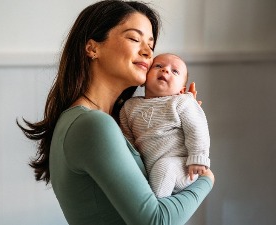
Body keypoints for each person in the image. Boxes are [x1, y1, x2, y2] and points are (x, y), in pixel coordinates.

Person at [17, 1, 215, 224]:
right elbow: (156, 220)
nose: (147, 51)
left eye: (151, 44)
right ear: (93, 48)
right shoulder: (93, 124)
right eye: (134, 38)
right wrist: (206, 179)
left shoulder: (99, 120)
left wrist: (173, 130)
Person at [119, 53, 211, 198]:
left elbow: (197, 128)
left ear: (181, 90)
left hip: (182, 166)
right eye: (158, 66)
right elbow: (127, 138)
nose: (165, 70)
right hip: (149, 168)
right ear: (144, 79)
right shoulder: (130, 107)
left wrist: (198, 157)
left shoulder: (182, 102)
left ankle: (154, 211)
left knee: (164, 167)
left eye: (175, 71)